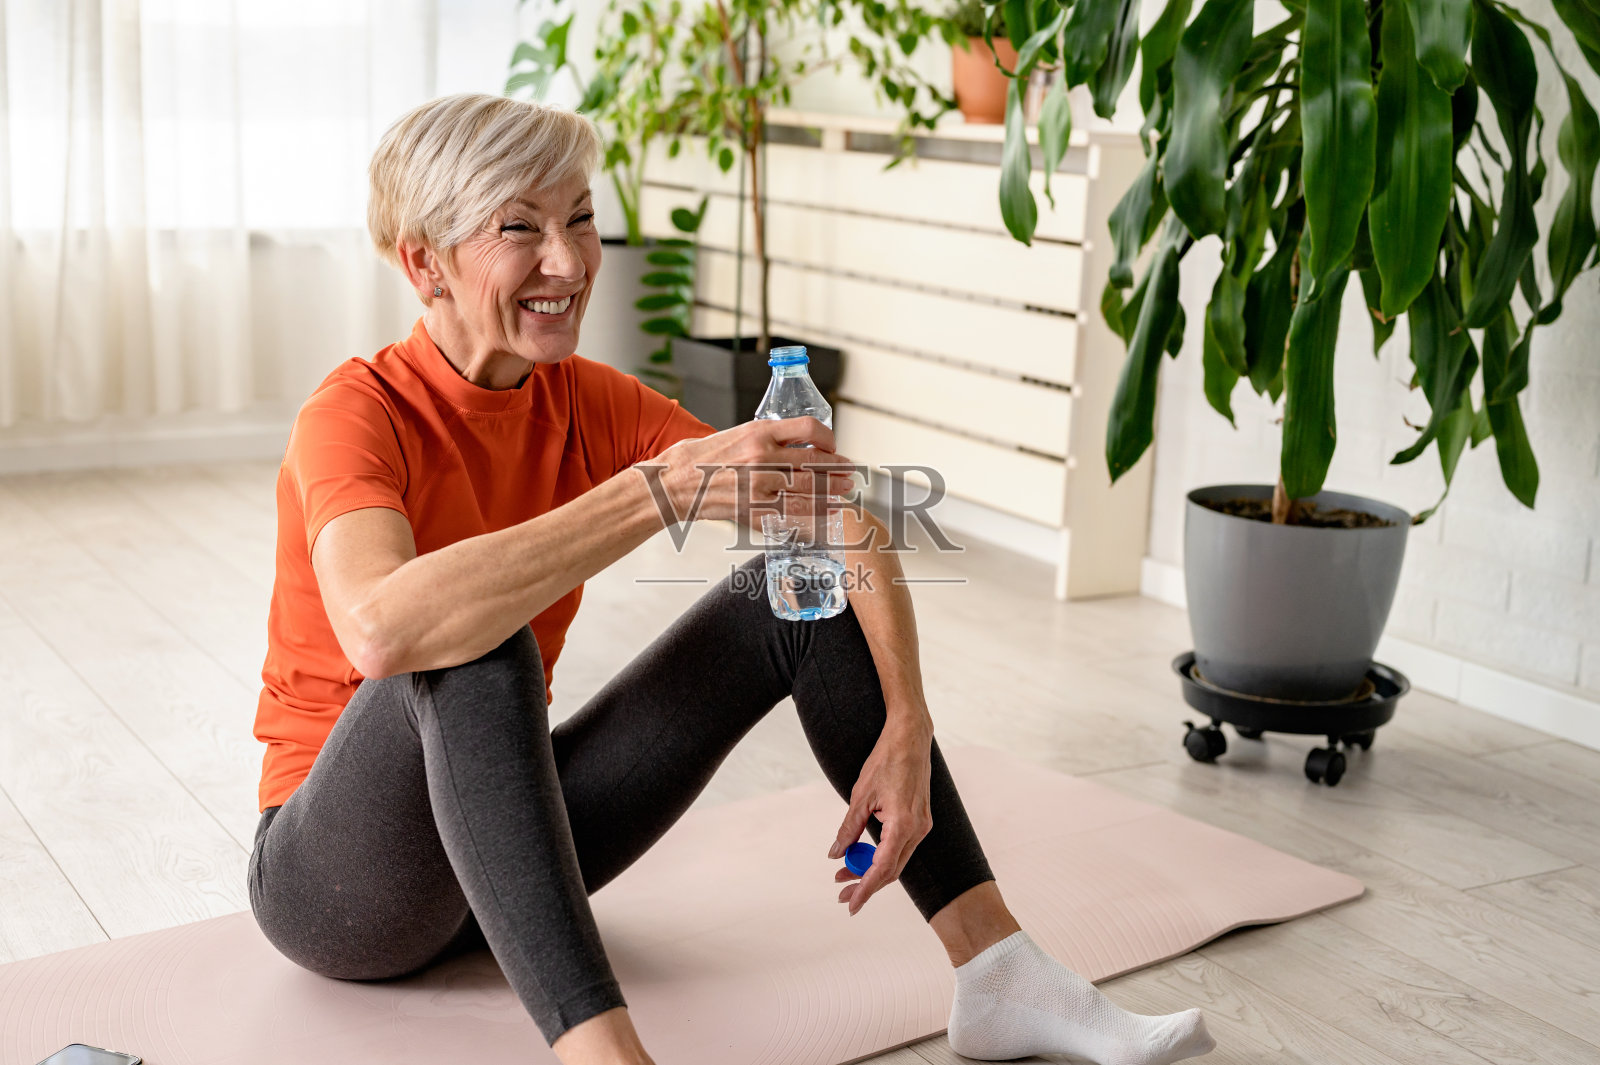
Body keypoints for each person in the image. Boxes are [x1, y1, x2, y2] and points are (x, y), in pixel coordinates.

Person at [246, 93, 1215, 1065]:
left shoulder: (585, 401)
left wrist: (909, 724)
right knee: (473, 643)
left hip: (501, 857)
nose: (570, 262)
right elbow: (379, 629)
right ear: (423, 262)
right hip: (339, 889)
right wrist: (654, 492)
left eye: (580, 219)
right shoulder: (356, 413)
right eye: (520, 229)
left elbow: (841, 517)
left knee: (794, 596)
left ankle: (998, 971)